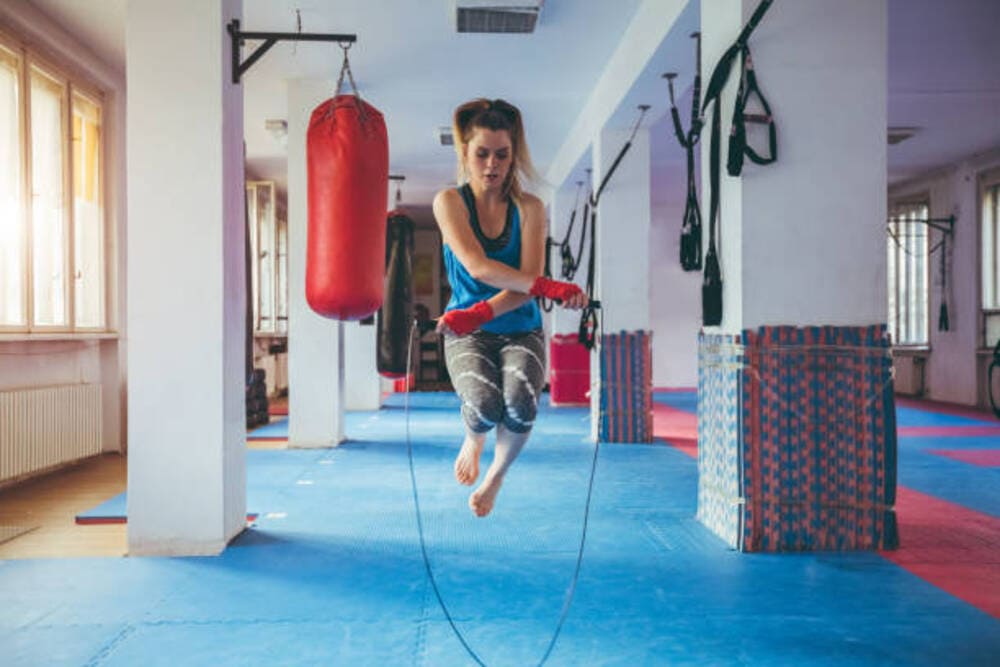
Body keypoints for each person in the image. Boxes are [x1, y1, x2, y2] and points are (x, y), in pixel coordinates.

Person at [433, 98, 588, 518]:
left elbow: (522, 287)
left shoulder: (530, 209)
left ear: (513, 156)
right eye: (481, 153)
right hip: (466, 328)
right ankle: (473, 437)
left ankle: (496, 476)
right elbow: (478, 266)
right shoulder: (449, 201)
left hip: (521, 327)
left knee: (521, 402)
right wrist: (546, 287)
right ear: (465, 153)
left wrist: (538, 288)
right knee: (484, 406)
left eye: (502, 154)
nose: (492, 165)